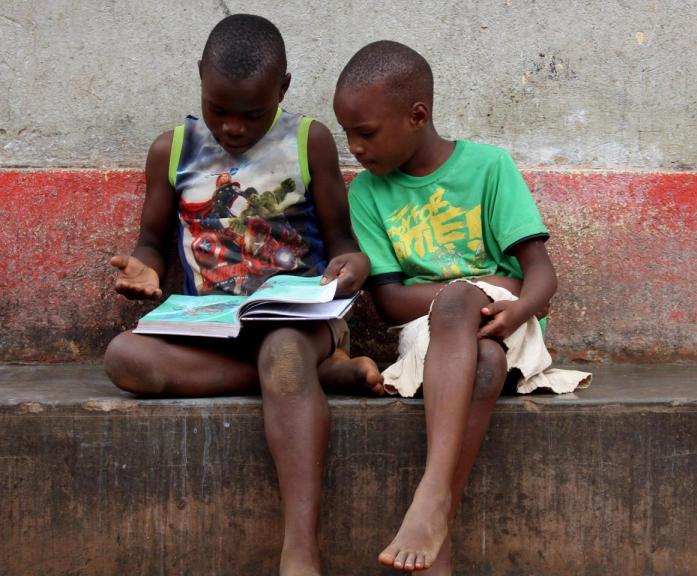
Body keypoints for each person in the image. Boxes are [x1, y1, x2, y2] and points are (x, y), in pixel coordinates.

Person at [103, 15, 382, 576]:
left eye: (252, 114)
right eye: (218, 109)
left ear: (282, 89)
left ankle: (299, 550)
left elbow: (346, 245)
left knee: (281, 352)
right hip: (211, 328)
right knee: (123, 357)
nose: (233, 127)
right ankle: (316, 377)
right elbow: (152, 244)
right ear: (200, 81)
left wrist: (349, 271)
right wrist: (144, 272)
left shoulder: (311, 141)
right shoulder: (171, 150)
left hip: (295, 323)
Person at [334, 40, 589, 574]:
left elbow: (541, 274)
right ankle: (440, 538)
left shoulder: (489, 167)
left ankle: (430, 494)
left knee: (464, 307)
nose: (355, 147)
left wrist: (515, 305)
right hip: (431, 336)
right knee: (484, 358)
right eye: (348, 133)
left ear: (417, 115)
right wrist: (482, 281)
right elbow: (389, 301)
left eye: (367, 132)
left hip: (508, 321)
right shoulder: (367, 194)